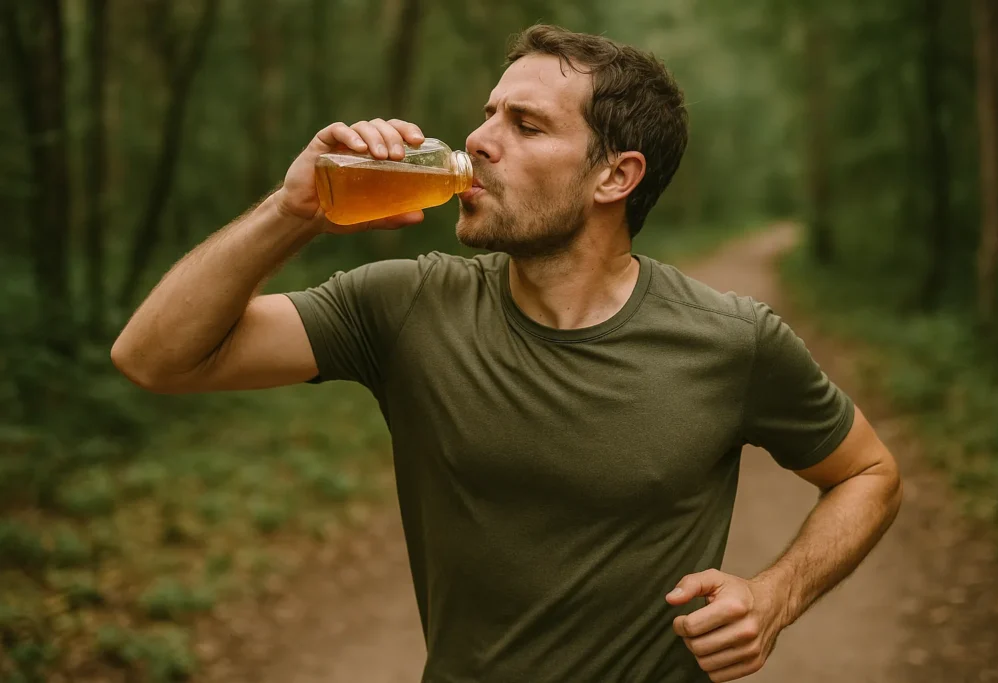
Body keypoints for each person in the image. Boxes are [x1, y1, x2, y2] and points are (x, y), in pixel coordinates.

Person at [111, 24, 902, 683]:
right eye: (488, 115)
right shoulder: (406, 305)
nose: (479, 141)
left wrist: (773, 596)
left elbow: (869, 474)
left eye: (525, 126)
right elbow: (155, 357)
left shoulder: (733, 338)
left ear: (616, 176)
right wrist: (293, 210)